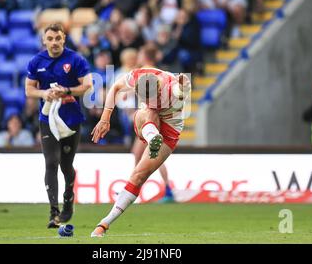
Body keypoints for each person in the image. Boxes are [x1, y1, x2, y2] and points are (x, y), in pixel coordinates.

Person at [90, 65, 191, 237]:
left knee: (138, 176)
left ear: (159, 90)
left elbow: (180, 92)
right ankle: (153, 139)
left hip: (169, 131)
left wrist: (183, 86)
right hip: (149, 124)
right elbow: (115, 87)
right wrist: (105, 118)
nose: (148, 99)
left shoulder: (173, 87)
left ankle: (104, 223)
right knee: (148, 111)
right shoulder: (138, 76)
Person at [25, 23, 93, 228]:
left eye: (58, 38)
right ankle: (53, 212)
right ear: (44, 41)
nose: (54, 42)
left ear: (64, 39)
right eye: (50, 39)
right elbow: (29, 90)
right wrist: (44, 93)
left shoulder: (76, 60)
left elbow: (88, 85)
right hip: (48, 120)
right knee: (51, 162)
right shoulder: (36, 62)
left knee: (65, 165)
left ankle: (68, 200)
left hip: (71, 120)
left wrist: (67, 91)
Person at [131, 44, 175, 203]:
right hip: (152, 117)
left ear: (145, 55)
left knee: (149, 155)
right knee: (141, 154)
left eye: (140, 53)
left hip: (150, 119)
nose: (138, 56)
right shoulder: (153, 70)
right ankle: (136, 188)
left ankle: (135, 190)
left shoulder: (146, 70)